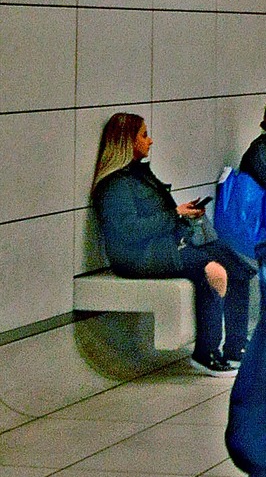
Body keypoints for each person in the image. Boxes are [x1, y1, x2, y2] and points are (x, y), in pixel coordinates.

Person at [91, 112, 255, 371]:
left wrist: (180, 212)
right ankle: (206, 352)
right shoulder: (115, 185)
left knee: (238, 266)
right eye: (143, 135)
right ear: (127, 142)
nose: (150, 141)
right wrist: (174, 214)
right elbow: (128, 230)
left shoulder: (138, 175)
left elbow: (154, 216)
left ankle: (237, 344)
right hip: (139, 257)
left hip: (160, 248)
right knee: (212, 271)